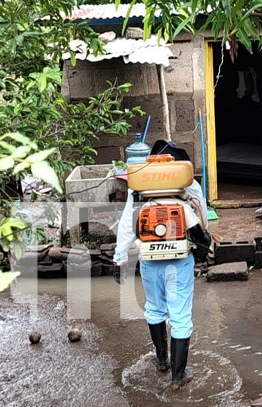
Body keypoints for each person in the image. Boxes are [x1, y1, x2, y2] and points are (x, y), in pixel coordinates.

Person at [113, 140, 207, 387]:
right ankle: (178, 376)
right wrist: (204, 250)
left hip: (149, 261)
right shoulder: (189, 188)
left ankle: (162, 361)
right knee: (180, 315)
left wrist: (119, 258)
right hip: (179, 262)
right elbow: (201, 226)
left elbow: (126, 227)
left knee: (154, 308)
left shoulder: (139, 192)